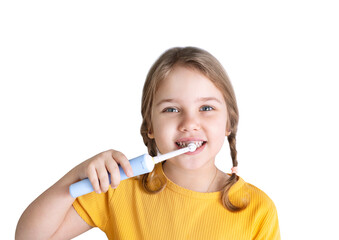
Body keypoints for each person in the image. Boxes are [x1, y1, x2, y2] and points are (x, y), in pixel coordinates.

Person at [16, 47, 280, 239]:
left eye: (207, 107)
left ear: (228, 123)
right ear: (150, 127)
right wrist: (78, 175)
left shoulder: (257, 209)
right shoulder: (118, 189)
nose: (190, 122)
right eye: (171, 110)